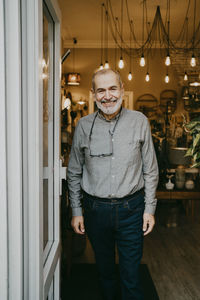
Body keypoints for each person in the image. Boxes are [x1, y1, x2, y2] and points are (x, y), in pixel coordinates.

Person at [67, 68, 159, 300]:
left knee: (131, 275)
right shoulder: (83, 126)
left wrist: (149, 209)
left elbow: (150, 169)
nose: (107, 96)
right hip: (95, 210)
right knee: (104, 272)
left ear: (122, 90)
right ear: (93, 94)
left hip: (132, 209)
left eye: (112, 88)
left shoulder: (139, 121)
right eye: (101, 90)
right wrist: (77, 211)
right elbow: (74, 172)